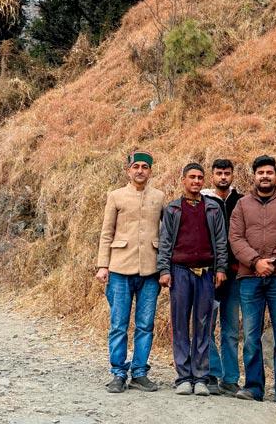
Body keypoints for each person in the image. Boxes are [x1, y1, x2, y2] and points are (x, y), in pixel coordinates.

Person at [229, 154, 276, 404]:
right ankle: (253, 387)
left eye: (269, 172)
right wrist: (255, 262)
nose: (264, 176)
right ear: (254, 175)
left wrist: (274, 260)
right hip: (249, 277)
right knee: (251, 335)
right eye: (260, 172)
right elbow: (235, 238)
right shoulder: (241, 205)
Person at [95, 150, 165, 394]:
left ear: (150, 171)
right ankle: (118, 372)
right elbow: (107, 232)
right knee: (119, 324)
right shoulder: (116, 196)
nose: (140, 171)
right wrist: (103, 265)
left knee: (145, 324)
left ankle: (139, 372)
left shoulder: (159, 197)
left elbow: (165, 235)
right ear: (128, 170)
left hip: (150, 270)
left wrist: (164, 268)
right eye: (136, 167)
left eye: (145, 167)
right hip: (120, 268)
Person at [156, 163, 228, 396]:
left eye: (199, 178)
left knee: (203, 324)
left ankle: (201, 377)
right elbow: (165, 241)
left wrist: (221, 268)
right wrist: (164, 270)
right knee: (179, 323)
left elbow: (220, 241)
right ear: (183, 180)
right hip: (180, 271)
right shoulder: (174, 209)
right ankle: (183, 376)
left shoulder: (213, 209)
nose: (196, 181)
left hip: (206, 272)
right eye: (192, 177)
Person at [204, 157, 243, 395]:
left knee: (230, 330)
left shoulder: (242, 201)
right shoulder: (204, 201)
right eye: (219, 173)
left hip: (236, 274)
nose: (223, 177)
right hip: (209, 274)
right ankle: (211, 372)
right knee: (206, 325)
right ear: (212, 176)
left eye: (227, 173)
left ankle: (230, 379)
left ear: (232, 175)